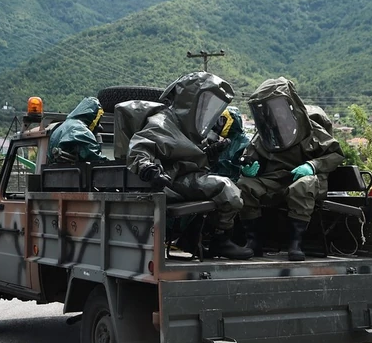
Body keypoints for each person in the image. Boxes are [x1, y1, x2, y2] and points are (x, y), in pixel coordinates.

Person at [127, 71, 253, 260]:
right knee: (227, 190)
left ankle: (195, 238)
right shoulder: (162, 122)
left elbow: (191, 156)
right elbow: (139, 148)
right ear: (190, 100)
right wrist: (148, 169)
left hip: (186, 177)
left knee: (225, 189)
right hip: (172, 181)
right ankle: (219, 240)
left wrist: (209, 154)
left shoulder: (188, 127)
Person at [239, 77, 345, 261]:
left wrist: (312, 165)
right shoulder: (265, 134)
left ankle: (296, 243)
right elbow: (250, 156)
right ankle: (253, 241)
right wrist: (249, 168)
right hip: (275, 180)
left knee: (303, 185)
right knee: (244, 185)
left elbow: (335, 154)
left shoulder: (310, 129)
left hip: (307, 180)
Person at [46, 97, 108, 164]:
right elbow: (94, 156)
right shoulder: (80, 129)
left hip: (57, 171)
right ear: (93, 116)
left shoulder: (58, 129)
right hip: (73, 172)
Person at [206, 106, 253, 182]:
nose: (218, 124)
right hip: (218, 183)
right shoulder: (222, 143)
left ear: (232, 121)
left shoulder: (244, 143)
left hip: (233, 186)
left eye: (222, 120)